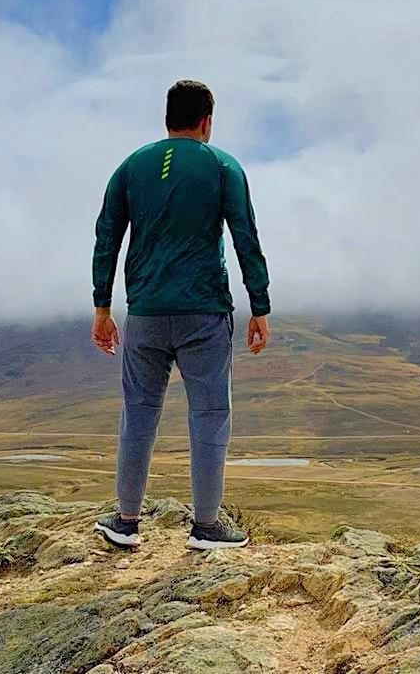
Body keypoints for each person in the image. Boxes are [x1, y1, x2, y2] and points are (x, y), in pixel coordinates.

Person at [90, 80, 271, 550]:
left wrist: (102, 306)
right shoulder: (223, 166)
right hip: (204, 313)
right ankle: (206, 527)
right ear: (207, 121)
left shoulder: (131, 167)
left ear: (167, 118)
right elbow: (245, 237)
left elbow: (107, 237)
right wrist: (260, 305)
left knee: (138, 412)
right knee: (210, 414)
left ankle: (126, 521)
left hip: (146, 314)